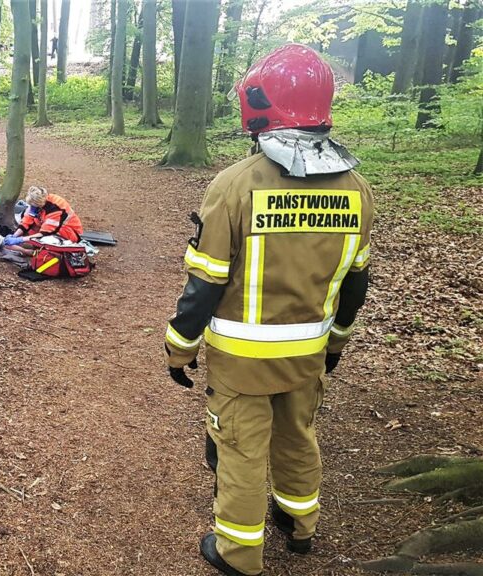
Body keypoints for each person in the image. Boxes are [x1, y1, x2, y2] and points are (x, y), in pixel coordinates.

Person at [163, 44, 373, 576]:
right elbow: (355, 282)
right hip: (308, 356)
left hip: (241, 363)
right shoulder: (357, 189)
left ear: (258, 106)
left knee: (238, 451)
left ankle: (238, 555)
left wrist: (178, 347)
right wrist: (337, 343)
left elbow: (205, 282)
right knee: (298, 437)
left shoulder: (235, 185)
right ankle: (300, 526)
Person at [3, 185, 84, 251]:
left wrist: (20, 240)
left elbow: (45, 233)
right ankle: (33, 247)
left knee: (43, 240)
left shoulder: (54, 209)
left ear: (40, 204)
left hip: (68, 232)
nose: (31, 208)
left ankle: (36, 250)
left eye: (33, 206)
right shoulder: (36, 204)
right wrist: (15, 235)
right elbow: (27, 220)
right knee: (29, 231)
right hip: (49, 226)